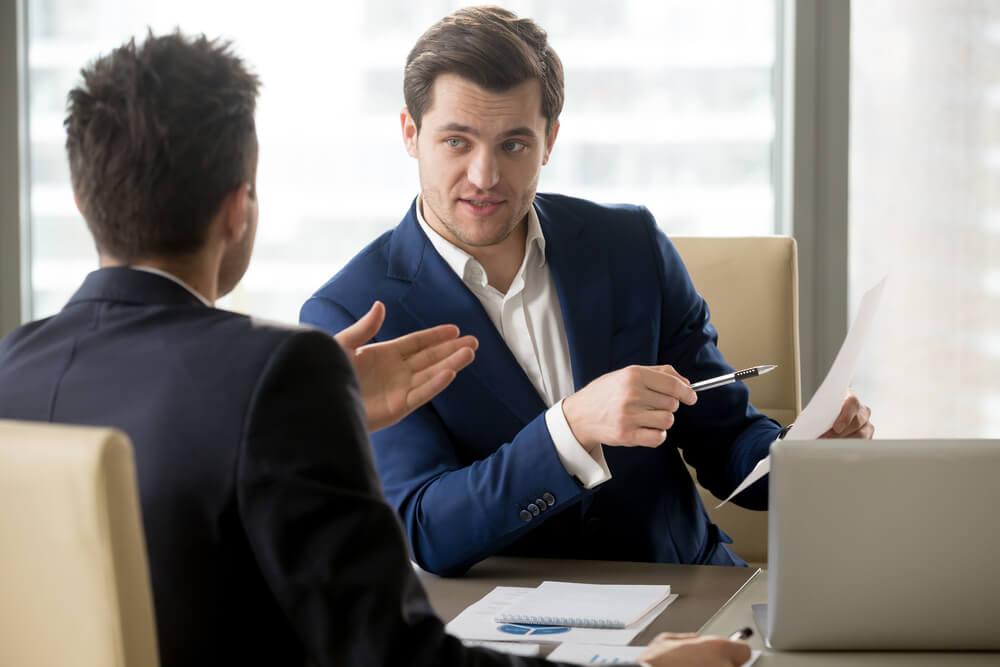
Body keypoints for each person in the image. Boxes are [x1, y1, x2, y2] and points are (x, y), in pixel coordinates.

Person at [0, 30, 751, 667]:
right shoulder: (279, 375)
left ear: (81, 198)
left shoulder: (11, 374)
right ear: (239, 209)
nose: (483, 172)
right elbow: (392, 651)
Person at [301, 5, 874, 578]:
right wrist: (569, 430)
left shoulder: (631, 245)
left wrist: (797, 455)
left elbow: (726, 442)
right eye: (456, 142)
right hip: (507, 628)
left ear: (549, 140)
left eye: (514, 145)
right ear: (411, 134)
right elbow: (429, 530)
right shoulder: (351, 312)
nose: (484, 176)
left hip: (689, 593)